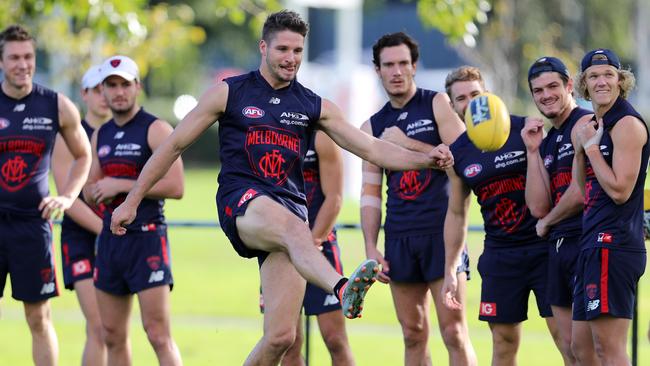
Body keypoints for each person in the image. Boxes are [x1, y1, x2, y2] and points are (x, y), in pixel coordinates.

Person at [109, 10, 452, 365]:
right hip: (241, 202)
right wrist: (132, 200)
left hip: (289, 218)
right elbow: (174, 145)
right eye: (283, 49)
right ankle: (342, 287)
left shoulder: (312, 105)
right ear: (263, 48)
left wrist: (426, 160)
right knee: (293, 228)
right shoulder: (229, 93)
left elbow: (372, 148)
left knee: (281, 337)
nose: (291, 59)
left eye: (298, 51)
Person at [359, 32, 476, 365]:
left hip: (444, 236)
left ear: (414, 66)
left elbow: (464, 160)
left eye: (402, 64)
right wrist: (371, 247)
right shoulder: (372, 127)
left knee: (454, 332)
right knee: (413, 334)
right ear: (377, 70)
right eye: (388, 65)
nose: (396, 71)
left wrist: (407, 143)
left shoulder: (437, 103)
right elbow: (370, 194)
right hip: (400, 240)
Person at [441, 66, 558, 365]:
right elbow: (456, 214)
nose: (470, 103)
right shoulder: (458, 154)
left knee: (568, 339)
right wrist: (451, 268)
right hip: (501, 255)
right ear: (452, 106)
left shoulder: (526, 130)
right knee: (503, 343)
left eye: (476, 95)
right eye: (461, 98)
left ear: (489, 96)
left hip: (545, 249)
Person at [0, 24, 91, 365]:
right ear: (1, 61)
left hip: (32, 227)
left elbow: (84, 155)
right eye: (14, 58)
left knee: (39, 318)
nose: (22, 64)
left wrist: (68, 196)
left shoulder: (56, 105)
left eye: (28, 57)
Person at [84, 55, 184, 365]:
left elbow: (176, 186)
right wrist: (93, 192)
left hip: (147, 240)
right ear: (102, 91)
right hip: (111, 244)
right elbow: (90, 187)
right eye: (111, 86)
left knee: (157, 334)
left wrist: (120, 184)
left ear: (137, 87)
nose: (118, 92)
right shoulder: (102, 134)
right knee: (111, 334)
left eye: (125, 84)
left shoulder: (155, 128)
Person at [571, 48, 648, 365]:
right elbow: (582, 189)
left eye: (608, 75)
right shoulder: (592, 125)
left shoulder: (627, 124)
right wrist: (580, 150)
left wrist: (590, 149)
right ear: (584, 84)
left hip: (613, 244)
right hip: (592, 243)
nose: (601, 81)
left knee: (609, 349)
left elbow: (619, 190)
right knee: (581, 348)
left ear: (620, 80)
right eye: (593, 76)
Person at [521, 56, 597, 366]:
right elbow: (538, 206)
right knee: (569, 351)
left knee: (593, 352)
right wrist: (533, 151)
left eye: (553, 86)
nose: (546, 95)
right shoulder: (549, 137)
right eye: (538, 90)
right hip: (559, 248)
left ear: (569, 85)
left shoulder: (585, 123)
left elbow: (581, 192)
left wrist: (548, 221)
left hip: (586, 244)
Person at [275, 130, 354, 365]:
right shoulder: (266, 132)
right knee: (287, 342)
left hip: (321, 244)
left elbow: (335, 198)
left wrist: (312, 242)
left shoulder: (321, 135)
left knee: (335, 339)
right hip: (279, 248)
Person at [52, 64, 111, 365]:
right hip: (82, 238)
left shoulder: (126, 134)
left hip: (117, 237)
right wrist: (107, 229)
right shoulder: (69, 137)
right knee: (99, 326)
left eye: (111, 87)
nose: (105, 95)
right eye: (98, 89)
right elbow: (68, 199)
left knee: (114, 330)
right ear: (84, 94)